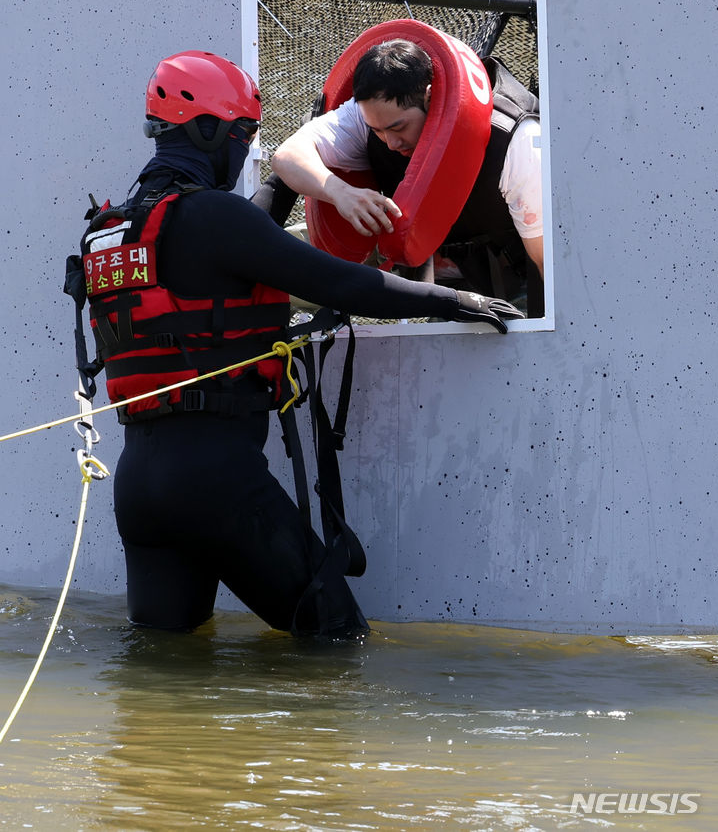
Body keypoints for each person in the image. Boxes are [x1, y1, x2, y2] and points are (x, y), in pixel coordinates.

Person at [71, 50, 523, 641]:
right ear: (211, 132)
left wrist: (296, 173)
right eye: (242, 134)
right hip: (219, 483)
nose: (245, 150)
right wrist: (451, 302)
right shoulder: (215, 219)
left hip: (139, 489)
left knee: (164, 665)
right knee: (337, 641)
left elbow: (240, 244)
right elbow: (337, 281)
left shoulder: (110, 231)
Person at [262, 36, 544, 317]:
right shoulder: (373, 114)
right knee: (275, 270)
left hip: (519, 273)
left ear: (431, 97)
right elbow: (286, 157)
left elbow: (546, 262)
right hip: (432, 270)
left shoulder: (516, 140)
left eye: (399, 128)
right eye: (378, 131)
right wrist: (341, 193)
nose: (390, 143)